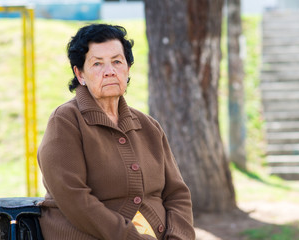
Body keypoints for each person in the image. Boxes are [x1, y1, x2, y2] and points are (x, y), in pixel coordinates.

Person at [37, 23, 195, 240]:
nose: (109, 71)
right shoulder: (65, 121)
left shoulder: (148, 126)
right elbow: (74, 198)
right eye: (97, 64)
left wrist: (178, 236)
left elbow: (177, 194)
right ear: (80, 74)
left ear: (127, 69)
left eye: (117, 62)